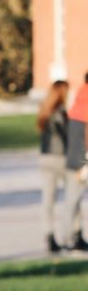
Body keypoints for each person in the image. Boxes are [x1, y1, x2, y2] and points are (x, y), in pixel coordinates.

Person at [38, 80, 69, 253]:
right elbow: (68, 138)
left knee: (48, 199)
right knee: (73, 197)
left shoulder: (44, 111)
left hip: (45, 158)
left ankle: (49, 234)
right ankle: (74, 233)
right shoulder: (61, 113)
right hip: (61, 159)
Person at [62, 74, 88, 252]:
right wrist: (82, 164)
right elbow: (83, 139)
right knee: (72, 201)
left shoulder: (78, 99)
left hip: (74, 160)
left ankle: (74, 237)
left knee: (73, 201)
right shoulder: (85, 105)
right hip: (82, 162)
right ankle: (68, 238)